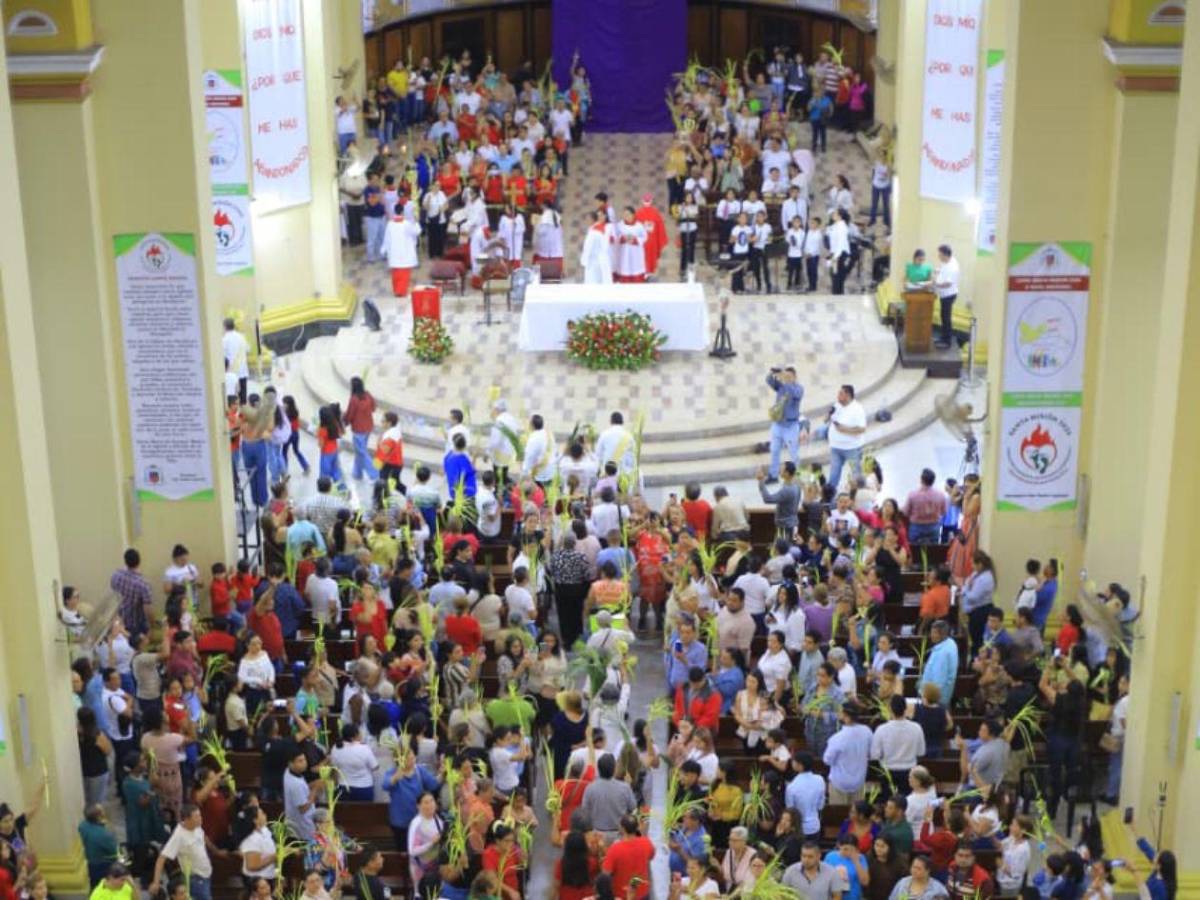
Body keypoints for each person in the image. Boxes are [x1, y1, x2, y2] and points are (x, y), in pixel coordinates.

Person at [149, 805, 216, 900]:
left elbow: (204, 838)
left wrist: (216, 850)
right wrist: (156, 882)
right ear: (187, 819)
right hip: (196, 878)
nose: (200, 819)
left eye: (200, 815)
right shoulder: (178, 836)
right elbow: (161, 858)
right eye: (196, 816)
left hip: (206, 876)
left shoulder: (197, 827)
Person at [764, 366, 806, 483]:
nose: (787, 378)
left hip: (791, 426)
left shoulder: (799, 389)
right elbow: (769, 381)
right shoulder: (781, 386)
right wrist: (773, 372)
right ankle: (773, 475)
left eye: (789, 376)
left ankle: (797, 475)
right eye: (786, 375)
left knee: (793, 452)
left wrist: (786, 381)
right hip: (778, 424)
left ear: (795, 377)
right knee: (774, 450)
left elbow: (795, 395)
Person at [603, 814, 655, 899]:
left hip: (622, 895)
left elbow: (606, 873)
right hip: (642, 893)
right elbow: (651, 856)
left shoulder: (615, 849)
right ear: (637, 827)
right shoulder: (646, 842)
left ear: (622, 828)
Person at [826, 384, 867, 490]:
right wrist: (828, 415)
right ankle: (829, 496)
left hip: (851, 448)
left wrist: (845, 430)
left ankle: (858, 496)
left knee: (856, 474)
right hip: (835, 447)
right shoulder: (837, 405)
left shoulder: (857, 409)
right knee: (834, 473)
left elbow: (862, 429)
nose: (837, 396)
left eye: (840, 393)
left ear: (848, 395)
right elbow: (830, 420)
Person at [782, 841, 848, 898]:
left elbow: (837, 896)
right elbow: (782, 894)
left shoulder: (832, 872)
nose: (806, 860)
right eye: (803, 856)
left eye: (810, 857)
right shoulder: (790, 871)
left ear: (819, 856)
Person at [343, 377, 378, 483]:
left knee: (361, 452)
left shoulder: (354, 399)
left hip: (358, 429)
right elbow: (374, 407)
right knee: (360, 451)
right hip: (368, 427)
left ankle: (374, 474)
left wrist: (344, 422)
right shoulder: (367, 395)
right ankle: (357, 473)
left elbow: (350, 414)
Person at [384, 205, 422, 297]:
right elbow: (417, 232)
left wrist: (384, 250)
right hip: (405, 253)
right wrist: (416, 222)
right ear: (402, 212)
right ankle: (401, 291)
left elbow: (386, 239)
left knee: (395, 273)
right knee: (404, 273)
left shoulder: (390, 224)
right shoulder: (407, 224)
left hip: (394, 253)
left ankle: (396, 290)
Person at [634, 193, 668, 276]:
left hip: (642, 242)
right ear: (651, 201)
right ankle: (649, 273)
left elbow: (634, 228)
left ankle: (643, 273)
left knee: (643, 258)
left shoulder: (638, 213)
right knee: (651, 258)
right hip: (652, 241)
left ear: (642, 201)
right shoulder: (656, 213)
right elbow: (661, 229)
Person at [933, 244, 960, 348]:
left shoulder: (953, 267)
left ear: (945, 255)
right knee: (943, 317)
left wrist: (936, 283)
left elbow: (948, 284)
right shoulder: (949, 260)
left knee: (946, 318)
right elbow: (943, 269)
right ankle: (943, 337)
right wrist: (938, 271)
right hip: (945, 295)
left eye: (940, 254)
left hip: (948, 295)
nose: (938, 256)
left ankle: (947, 341)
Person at [613, 207, 648, 282]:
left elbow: (645, 237)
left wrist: (635, 240)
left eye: (628, 214)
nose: (626, 216)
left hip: (636, 255)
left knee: (636, 275)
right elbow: (615, 236)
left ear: (633, 215)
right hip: (624, 254)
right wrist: (623, 238)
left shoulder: (639, 226)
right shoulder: (619, 225)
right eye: (624, 214)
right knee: (624, 272)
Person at [580, 209, 613, 284]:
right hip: (597, 260)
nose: (586, 221)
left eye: (588, 219)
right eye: (598, 216)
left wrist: (584, 260)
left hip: (598, 260)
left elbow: (588, 248)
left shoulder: (599, 230)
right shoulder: (596, 228)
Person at [222, 318, 250, 405]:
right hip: (243, 371)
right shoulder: (241, 337)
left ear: (225, 327)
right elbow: (248, 349)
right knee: (243, 399)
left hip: (232, 372)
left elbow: (223, 356)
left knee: (233, 400)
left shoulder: (224, 339)